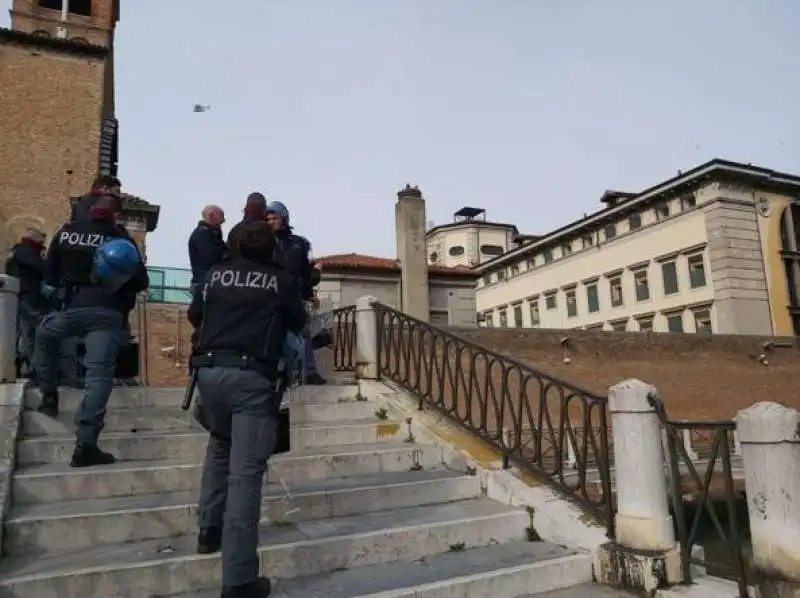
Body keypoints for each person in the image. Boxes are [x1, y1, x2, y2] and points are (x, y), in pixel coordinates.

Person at [188, 220, 306, 598]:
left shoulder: (215, 274)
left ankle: (209, 531)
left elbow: (195, 314)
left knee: (219, 446)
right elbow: (298, 322)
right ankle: (238, 580)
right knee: (245, 477)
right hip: (250, 378)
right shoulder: (279, 280)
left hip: (207, 373)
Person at [34, 196, 149, 467]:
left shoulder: (67, 233)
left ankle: (49, 395)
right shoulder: (120, 239)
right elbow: (140, 280)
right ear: (114, 215)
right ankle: (86, 444)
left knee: (43, 335)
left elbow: (49, 275)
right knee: (99, 375)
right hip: (107, 314)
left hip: (73, 308)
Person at [265, 200, 326, 385]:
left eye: (274, 218)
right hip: (269, 297)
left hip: (294, 297)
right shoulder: (261, 242)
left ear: (283, 219)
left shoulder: (299, 243)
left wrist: (308, 292)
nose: (271, 222)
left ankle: (309, 372)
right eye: (267, 219)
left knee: (303, 333)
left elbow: (304, 273)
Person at [5, 228, 50, 377]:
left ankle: (26, 366)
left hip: (23, 297)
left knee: (26, 333)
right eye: (42, 241)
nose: (43, 244)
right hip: (27, 298)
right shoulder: (26, 251)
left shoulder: (18, 252)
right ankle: (31, 367)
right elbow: (41, 268)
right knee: (35, 331)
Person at [188, 205, 227, 303]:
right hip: (204, 284)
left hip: (208, 282)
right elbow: (212, 257)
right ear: (211, 215)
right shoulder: (202, 235)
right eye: (221, 216)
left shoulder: (210, 234)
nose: (223, 220)